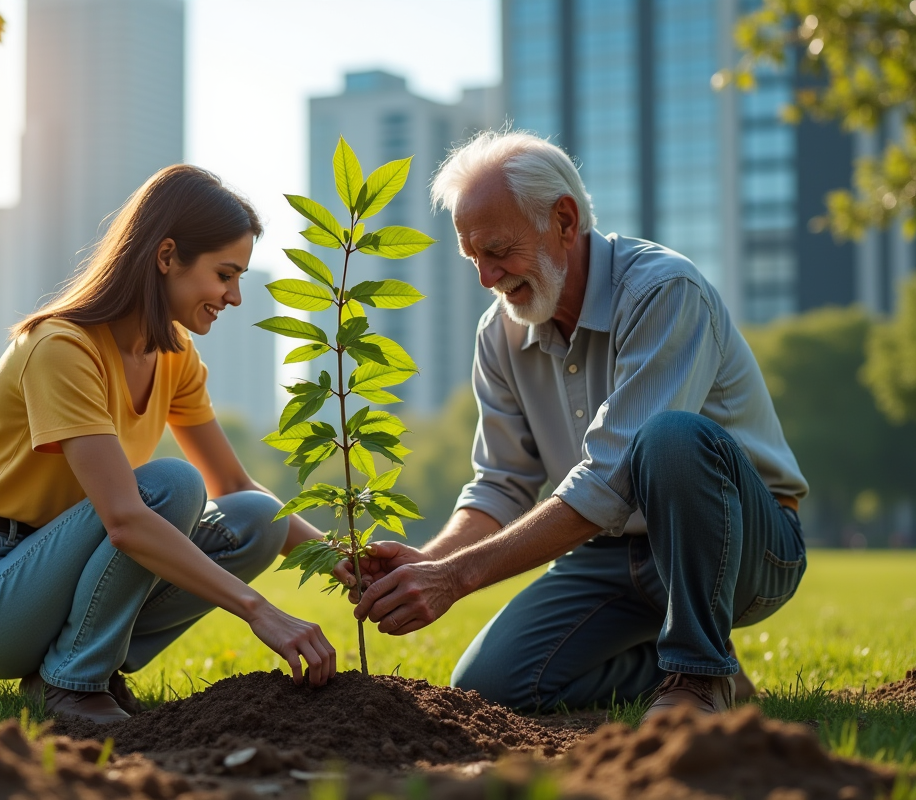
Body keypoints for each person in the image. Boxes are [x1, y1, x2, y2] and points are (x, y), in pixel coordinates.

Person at [338, 131, 807, 720]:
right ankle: (695, 667)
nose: (487, 276)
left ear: (564, 219)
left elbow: (613, 475)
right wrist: (428, 562)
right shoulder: (499, 334)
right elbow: (501, 483)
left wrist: (455, 579)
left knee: (668, 440)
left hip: (743, 546)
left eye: (499, 250)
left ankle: (698, 674)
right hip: (609, 554)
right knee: (490, 685)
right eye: (473, 258)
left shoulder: (665, 290)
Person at [0, 165, 336, 725]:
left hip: (63, 576)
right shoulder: (60, 348)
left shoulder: (176, 358)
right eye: (225, 274)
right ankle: (73, 685)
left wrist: (346, 562)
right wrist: (259, 611)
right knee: (170, 485)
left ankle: (71, 664)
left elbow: (237, 487)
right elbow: (123, 517)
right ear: (167, 256)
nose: (236, 296)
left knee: (258, 517)